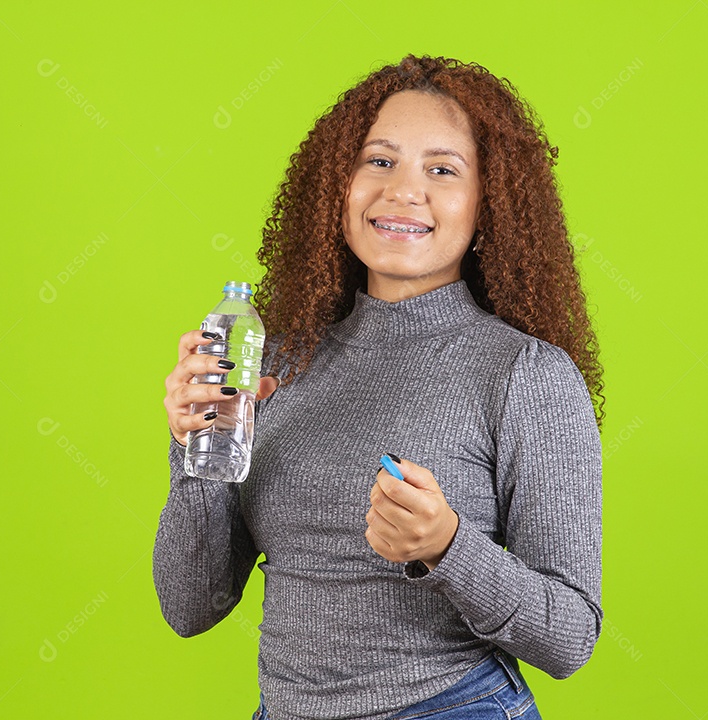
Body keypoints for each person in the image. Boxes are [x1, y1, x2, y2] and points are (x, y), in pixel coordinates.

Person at [156, 54, 605, 720]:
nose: (403, 191)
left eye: (443, 170)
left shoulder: (524, 375)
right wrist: (197, 450)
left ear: (490, 206)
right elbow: (191, 608)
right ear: (337, 184)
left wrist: (446, 546)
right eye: (380, 161)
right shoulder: (276, 359)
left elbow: (569, 636)